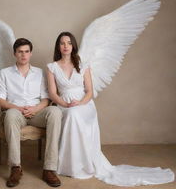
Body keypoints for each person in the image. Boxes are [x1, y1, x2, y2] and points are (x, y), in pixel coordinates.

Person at [46, 32, 174, 186]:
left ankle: (82, 165)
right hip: (63, 103)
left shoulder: (83, 65)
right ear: (58, 46)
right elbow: (53, 94)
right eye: (62, 43)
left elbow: (89, 92)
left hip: (83, 104)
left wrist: (79, 103)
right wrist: (66, 104)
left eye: (69, 43)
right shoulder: (52, 67)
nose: (65, 46)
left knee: (74, 114)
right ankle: (68, 164)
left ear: (73, 46)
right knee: (71, 114)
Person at [0, 38, 62, 187]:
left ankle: (49, 169)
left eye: (26, 52)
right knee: (10, 114)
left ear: (30, 54)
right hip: (16, 112)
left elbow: (46, 99)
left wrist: (35, 109)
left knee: (55, 112)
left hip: (36, 112)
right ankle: (15, 168)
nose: (23, 55)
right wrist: (16, 108)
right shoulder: (4, 73)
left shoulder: (39, 73)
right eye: (20, 52)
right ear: (14, 53)